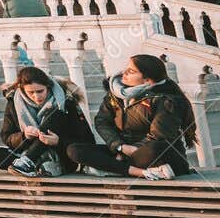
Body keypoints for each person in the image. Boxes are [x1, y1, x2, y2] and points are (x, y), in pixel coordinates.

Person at [67, 55, 196, 180]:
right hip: (123, 149)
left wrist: (130, 152)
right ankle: (140, 172)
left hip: (155, 153)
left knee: (154, 149)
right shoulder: (116, 94)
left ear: (147, 80)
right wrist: (119, 147)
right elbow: (102, 122)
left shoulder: (166, 100)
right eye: (126, 69)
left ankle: (113, 168)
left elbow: (159, 136)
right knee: (75, 150)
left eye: (131, 71)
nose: (124, 73)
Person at [0, 66, 93, 177]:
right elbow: (7, 137)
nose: (36, 97)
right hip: (23, 151)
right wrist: (24, 135)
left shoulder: (65, 102)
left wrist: (58, 141)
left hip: (60, 154)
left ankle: (28, 162)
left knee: (54, 114)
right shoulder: (14, 102)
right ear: (22, 90)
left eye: (40, 91)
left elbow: (86, 139)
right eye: (31, 92)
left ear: (48, 86)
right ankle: (30, 165)